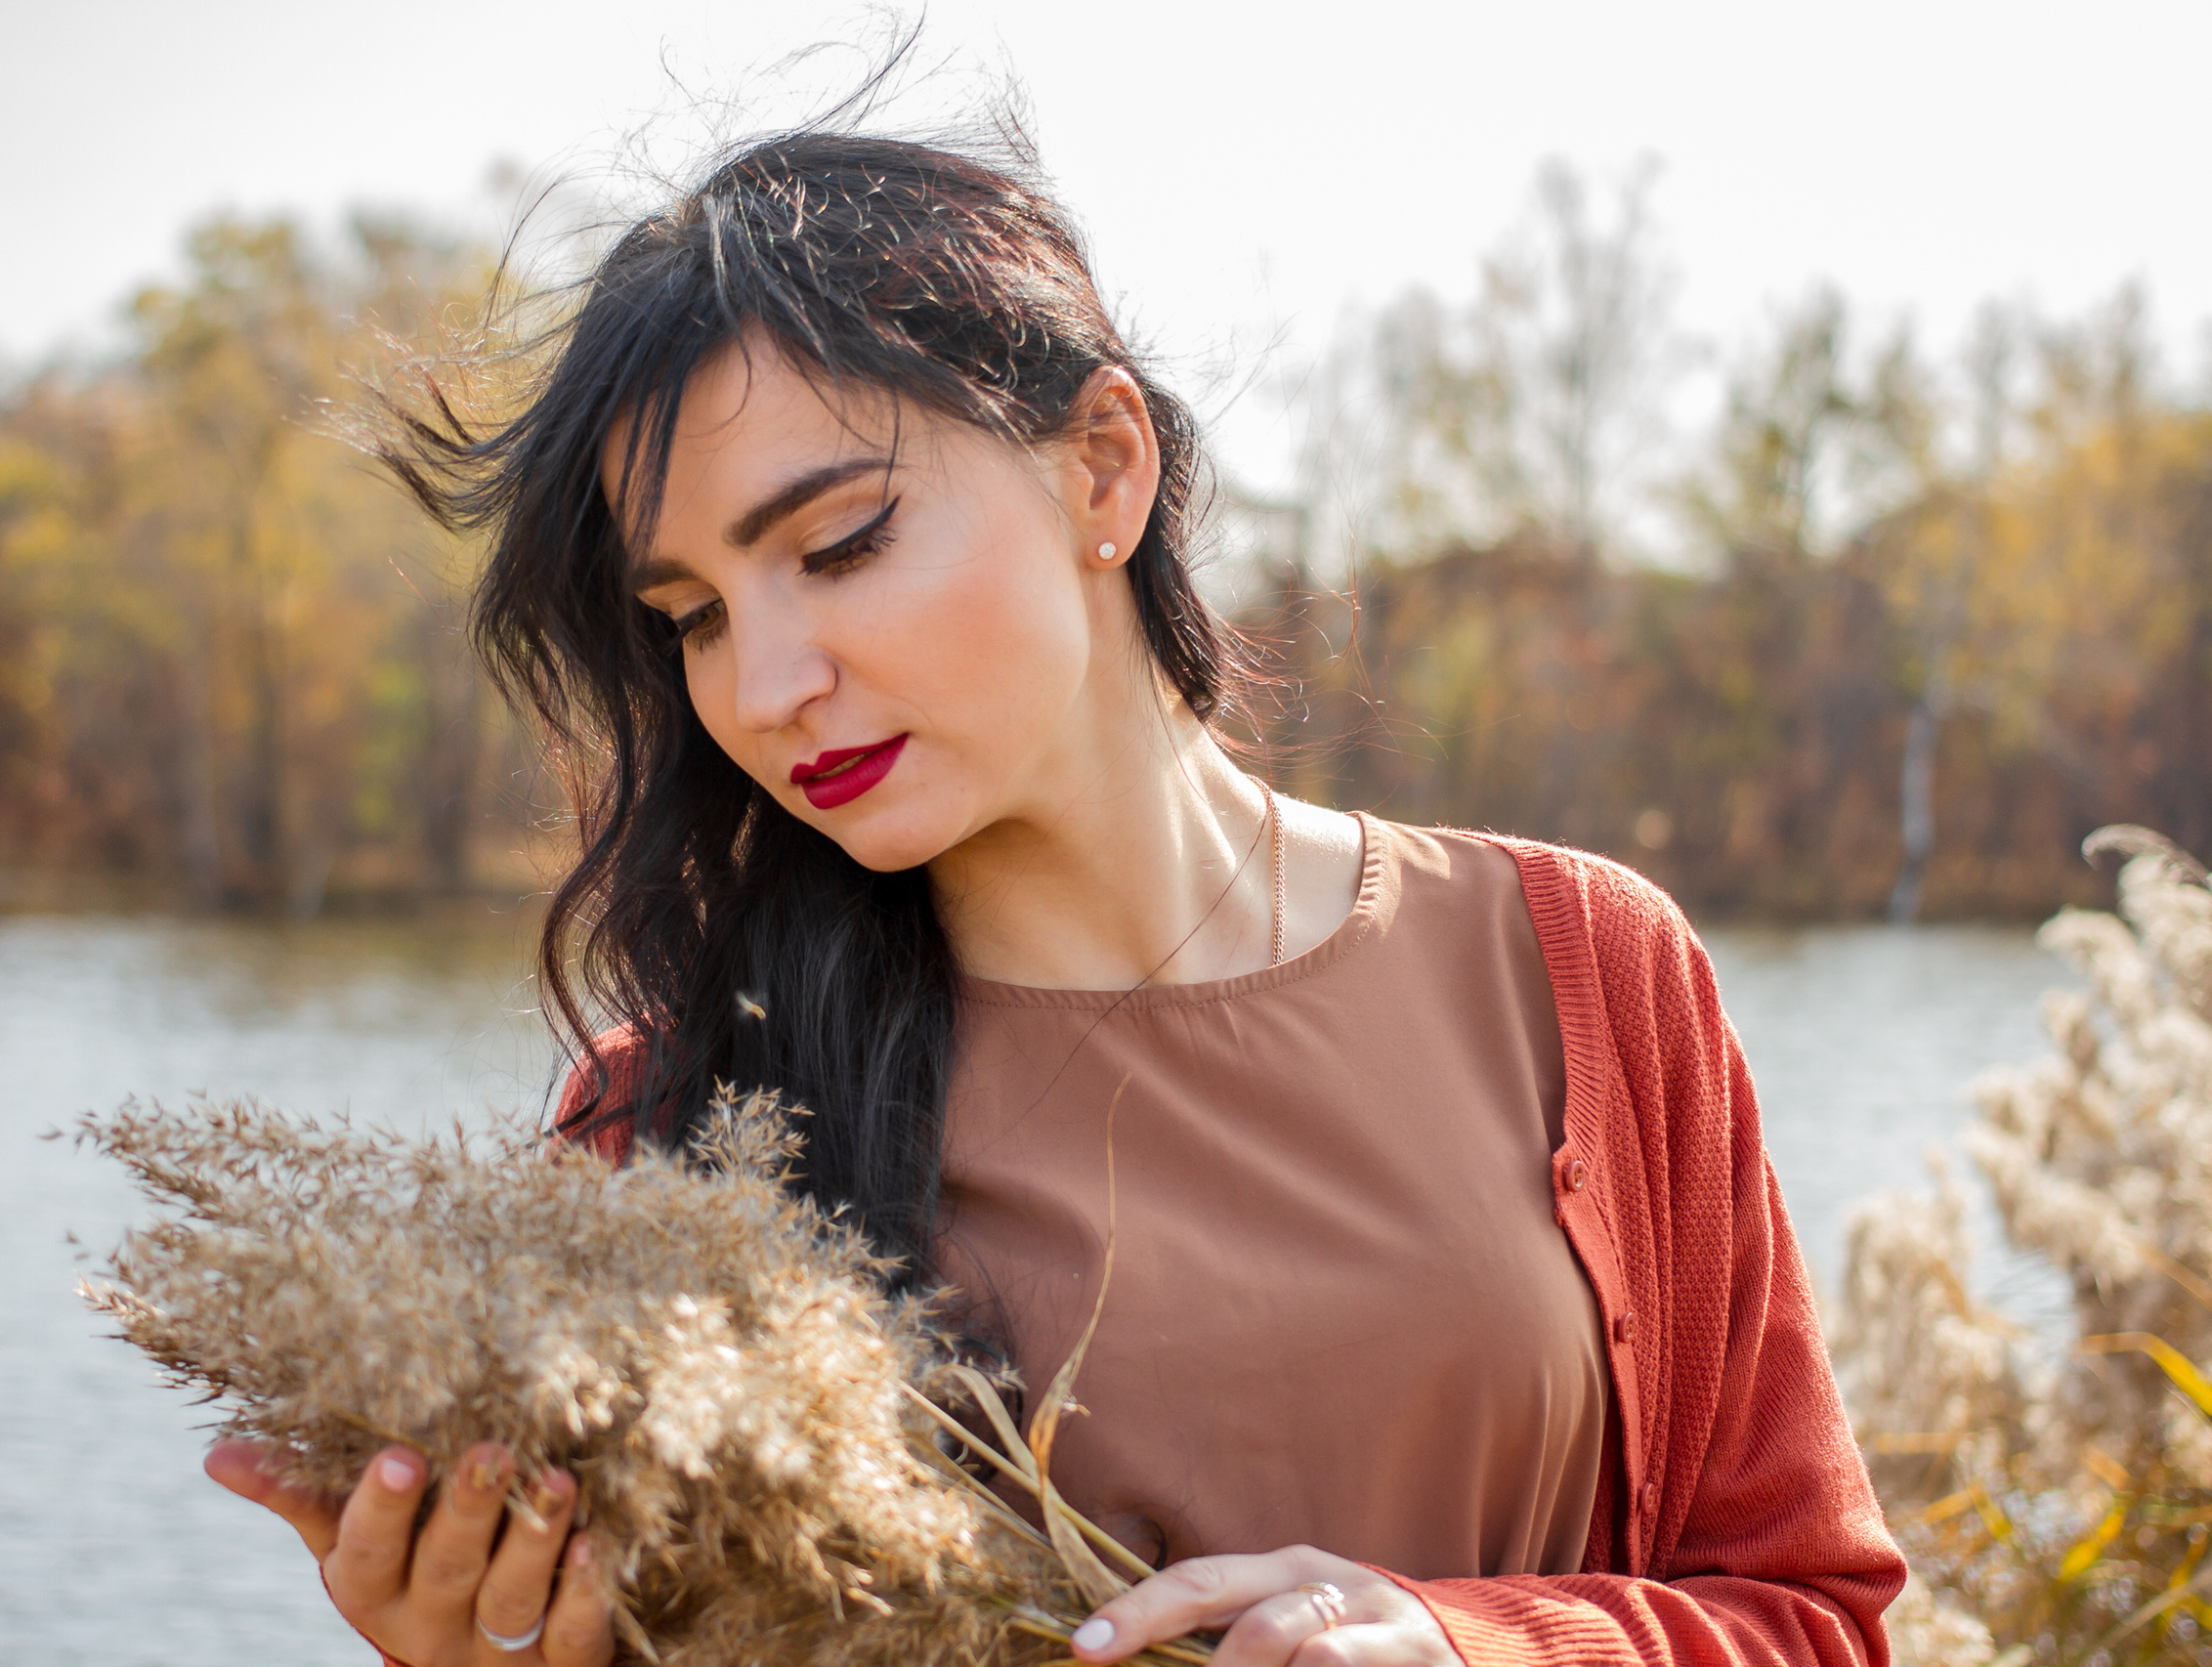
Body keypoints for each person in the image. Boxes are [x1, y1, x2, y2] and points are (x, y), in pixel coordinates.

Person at [201, 125, 1906, 1667]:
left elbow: (1816, 1615)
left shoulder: (1578, 970)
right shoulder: (676, 1121)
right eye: (691, 616)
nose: (766, 680)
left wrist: (1479, 1648)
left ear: (1103, 468)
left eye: (839, 540)